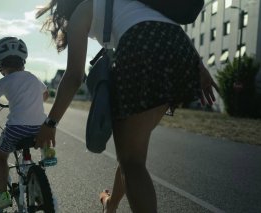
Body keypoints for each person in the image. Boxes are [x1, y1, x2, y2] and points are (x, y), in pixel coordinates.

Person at [34, 0, 219, 212]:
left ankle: (113, 204)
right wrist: (200, 66)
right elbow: (162, 24)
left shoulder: (83, 10)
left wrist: (51, 122)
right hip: (181, 51)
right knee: (131, 156)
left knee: (132, 162)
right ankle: (111, 205)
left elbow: (75, 76)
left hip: (140, 47)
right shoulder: (130, 2)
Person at [0, 37, 49, 208]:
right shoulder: (33, 77)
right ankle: (47, 156)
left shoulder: (5, 81)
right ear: (23, 62)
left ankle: (2, 195)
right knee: (43, 132)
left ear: (1, 65)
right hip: (40, 128)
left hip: (16, 129)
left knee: (0, 156)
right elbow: (45, 95)